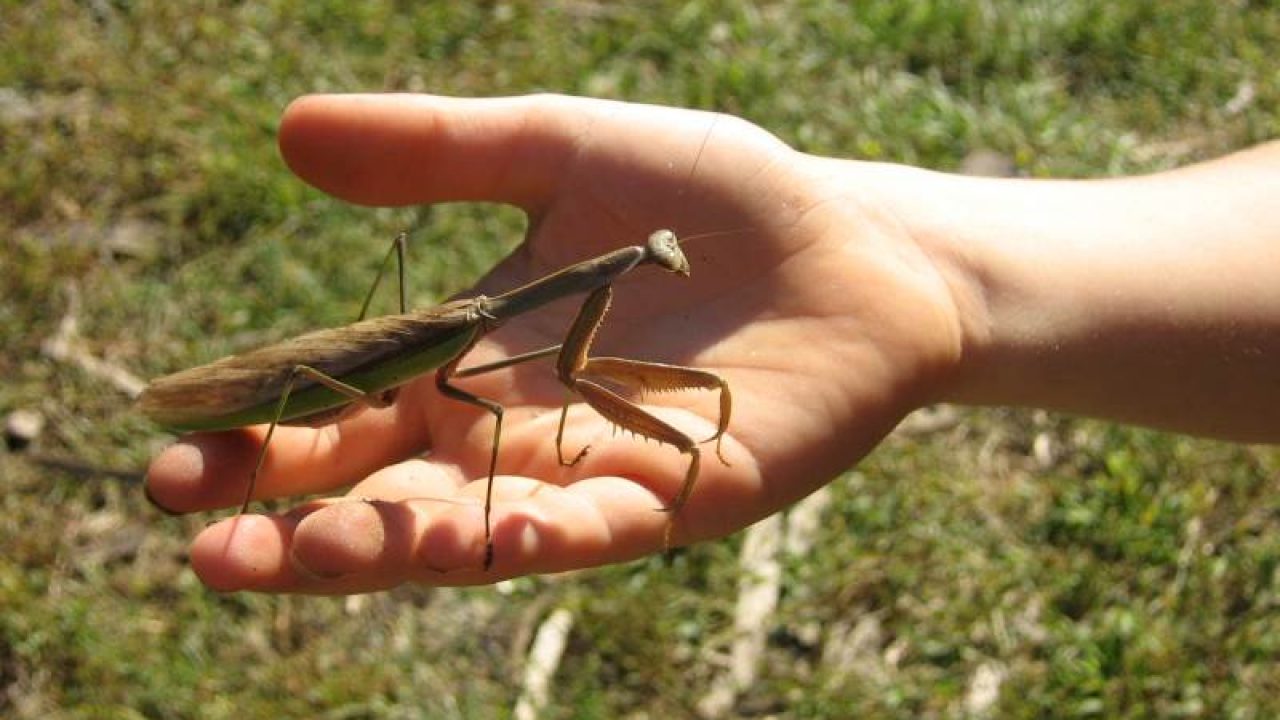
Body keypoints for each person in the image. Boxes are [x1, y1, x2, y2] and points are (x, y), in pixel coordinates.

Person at [144, 94, 1280, 593]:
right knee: (451, 401)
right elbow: (563, 374)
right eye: (659, 258)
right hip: (344, 364)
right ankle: (255, 457)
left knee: (497, 396)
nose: (667, 266)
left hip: (410, 355)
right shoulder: (489, 336)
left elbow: (585, 371)